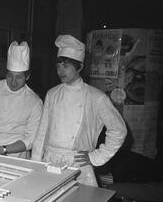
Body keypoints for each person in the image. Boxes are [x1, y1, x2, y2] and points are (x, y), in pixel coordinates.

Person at [32, 35, 127, 187]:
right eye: (58, 66)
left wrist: (96, 157)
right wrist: (35, 164)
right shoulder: (52, 93)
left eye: (66, 66)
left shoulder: (96, 97)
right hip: (50, 161)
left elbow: (118, 130)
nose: (60, 71)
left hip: (78, 164)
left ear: (80, 67)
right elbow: (42, 131)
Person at [0, 41, 43, 158]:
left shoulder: (35, 102)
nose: (13, 82)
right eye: (10, 76)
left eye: (19, 77)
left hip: (16, 155)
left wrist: (4, 149)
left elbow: (30, 138)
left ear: (27, 76)